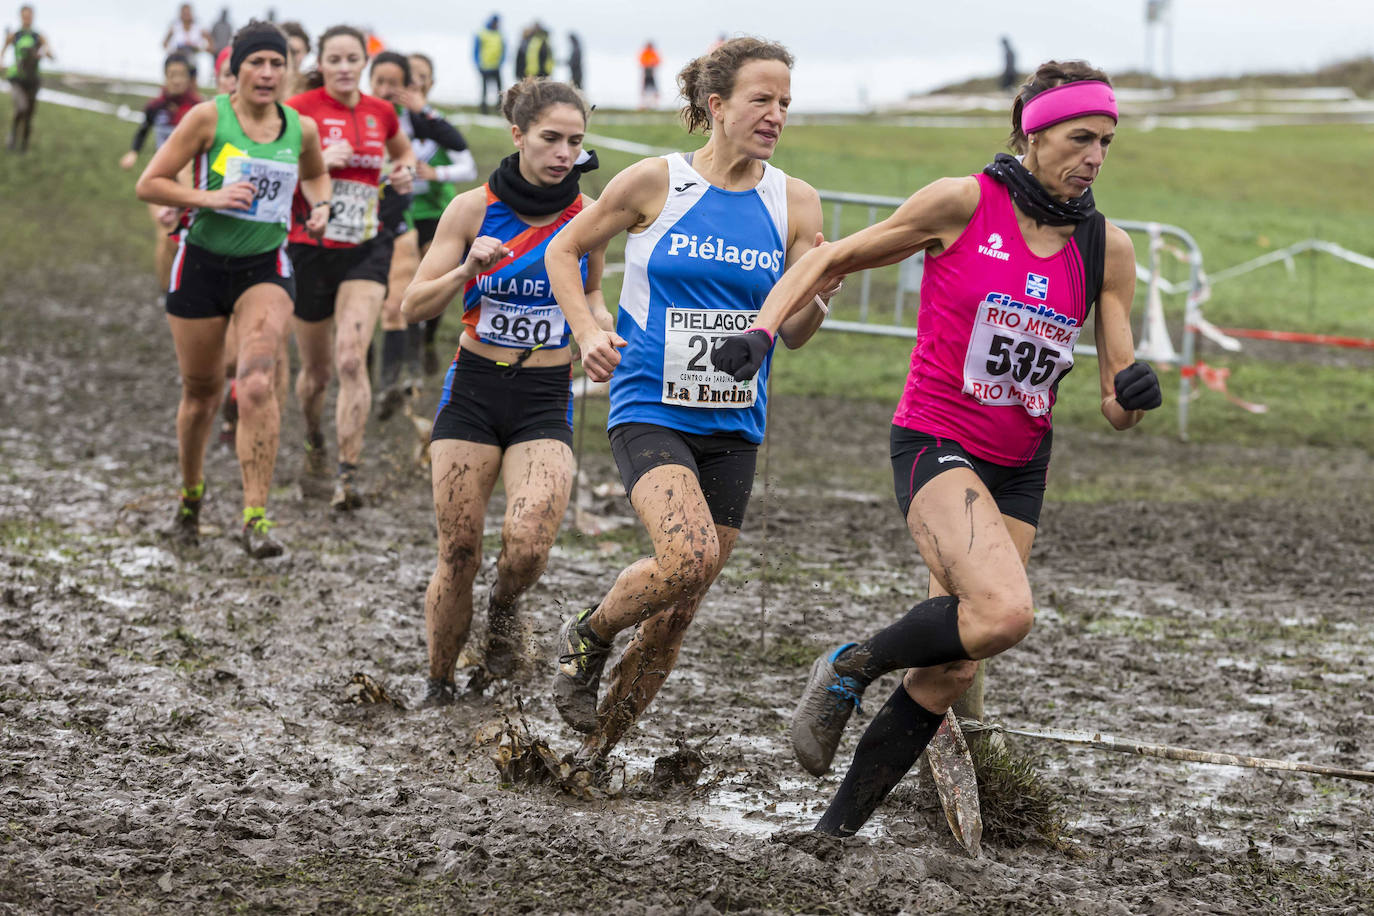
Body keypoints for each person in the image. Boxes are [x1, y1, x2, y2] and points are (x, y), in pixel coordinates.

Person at [710, 60, 1163, 837]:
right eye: (1081, 137)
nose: (1095, 156)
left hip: (1021, 466)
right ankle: (851, 663)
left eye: (1107, 143)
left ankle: (832, 834)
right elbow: (828, 258)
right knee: (1006, 611)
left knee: (957, 661)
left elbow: (1117, 403)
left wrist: (1133, 395)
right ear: (1033, 131)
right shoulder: (963, 202)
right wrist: (760, 331)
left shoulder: (1105, 248)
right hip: (936, 441)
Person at [544, 38, 835, 765]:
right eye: (761, 100)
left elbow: (794, 333)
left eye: (786, 104)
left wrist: (819, 298)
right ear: (716, 105)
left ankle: (597, 755)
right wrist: (587, 331)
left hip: (734, 423)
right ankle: (591, 630)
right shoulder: (655, 183)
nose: (776, 116)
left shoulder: (794, 201)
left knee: (677, 614)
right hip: (652, 407)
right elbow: (561, 250)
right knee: (688, 557)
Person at [402, 78, 605, 706]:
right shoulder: (471, 209)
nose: (565, 153)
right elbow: (412, 305)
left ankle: (503, 614)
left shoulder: (589, 215)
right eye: (551, 138)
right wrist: (467, 270)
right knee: (459, 549)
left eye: (575, 141)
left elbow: (591, 293)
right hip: (473, 391)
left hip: (545, 394)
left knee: (527, 542)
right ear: (518, 136)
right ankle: (439, 684)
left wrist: (598, 332)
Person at [135, 20, 331, 557]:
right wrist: (209, 199)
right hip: (199, 265)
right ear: (235, 70)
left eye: (276, 64)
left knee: (259, 381)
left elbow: (315, 176)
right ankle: (190, 501)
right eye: (256, 64)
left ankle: (255, 518)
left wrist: (321, 207)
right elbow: (149, 183)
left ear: (286, 71)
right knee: (201, 395)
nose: (267, 73)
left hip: (264, 267)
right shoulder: (207, 118)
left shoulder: (301, 129)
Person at [285, 24, 416, 510]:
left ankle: (347, 475)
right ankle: (314, 436)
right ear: (321, 63)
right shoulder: (299, 111)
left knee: (349, 358)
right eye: (334, 59)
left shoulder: (381, 112)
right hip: (309, 246)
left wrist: (403, 172)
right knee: (317, 373)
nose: (343, 68)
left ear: (364, 62)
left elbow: (405, 157)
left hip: (366, 245)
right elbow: (275, 168)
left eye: (351, 59)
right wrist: (314, 162)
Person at [373, 51, 478, 408]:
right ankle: (399, 367)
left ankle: (425, 341)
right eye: (408, 78)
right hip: (397, 212)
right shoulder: (388, 119)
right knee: (400, 289)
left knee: (429, 281)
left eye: (421, 78)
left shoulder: (432, 122)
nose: (412, 85)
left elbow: (466, 161)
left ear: (428, 84)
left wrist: (436, 174)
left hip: (435, 212)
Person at [120, 53, 202, 293]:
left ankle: (185, 283)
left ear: (190, 78)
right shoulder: (155, 107)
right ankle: (166, 288)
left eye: (181, 75)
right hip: (160, 179)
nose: (176, 80)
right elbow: (143, 130)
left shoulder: (199, 109)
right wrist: (133, 152)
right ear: (165, 77)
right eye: (171, 75)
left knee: (187, 237)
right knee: (166, 234)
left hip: (188, 180)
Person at [3, 4, 52, 153]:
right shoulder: (14, 35)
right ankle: (12, 135)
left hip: (33, 80)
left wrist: (44, 53)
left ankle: (24, 145)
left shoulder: (39, 36)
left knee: (29, 114)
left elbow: (49, 52)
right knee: (21, 108)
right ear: (21, 16)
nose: (27, 18)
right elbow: (3, 51)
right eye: (25, 15)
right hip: (17, 78)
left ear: (33, 17)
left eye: (29, 15)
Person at [163, 3, 210, 74]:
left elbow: (210, 44)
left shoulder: (198, 27)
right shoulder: (175, 27)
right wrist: (172, 51)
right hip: (176, 59)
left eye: (188, 13)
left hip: (191, 60)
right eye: (184, 13)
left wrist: (199, 48)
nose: (186, 15)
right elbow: (164, 43)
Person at [473, 14, 504, 115]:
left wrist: (501, 62)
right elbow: (476, 50)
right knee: (484, 90)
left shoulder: (499, 34)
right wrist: (478, 64)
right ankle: (484, 110)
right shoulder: (482, 33)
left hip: (496, 67)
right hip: (484, 67)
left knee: (500, 89)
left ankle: (499, 108)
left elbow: (503, 50)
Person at [278, 21, 311, 97]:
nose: (291, 57)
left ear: (306, 52)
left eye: (295, 52)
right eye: (287, 51)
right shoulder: (266, 85)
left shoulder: (311, 87)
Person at [638, 41, 660, 109]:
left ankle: (655, 104)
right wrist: (648, 64)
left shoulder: (653, 53)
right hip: (646, 72)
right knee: (644, 89)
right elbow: (641, 60)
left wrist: (652, 64)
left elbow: (658, 61)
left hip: (652, 72)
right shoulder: (644, 53)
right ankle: (643, 104)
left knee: (654, 89)